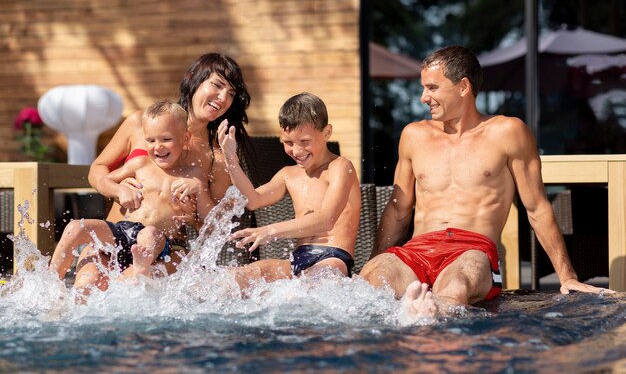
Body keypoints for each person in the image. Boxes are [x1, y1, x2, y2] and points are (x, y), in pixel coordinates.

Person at [359, 45, 613, 320]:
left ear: (463, 87)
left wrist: (568, 277)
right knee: (371, 282)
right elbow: (398, 211)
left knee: (455, 291)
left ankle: (427, 328)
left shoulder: (508, 132)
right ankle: (415, 316)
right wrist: (378, 259)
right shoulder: (414, 136)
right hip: (417, 250)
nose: (423, 98)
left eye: (432, 88)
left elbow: (537, 207)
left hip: (471, 250)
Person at [72, 53, 252, 287]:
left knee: (126, 288)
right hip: (115, 235)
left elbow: (215, 226)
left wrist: (194, 214)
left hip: (166, 250)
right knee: (87, 285)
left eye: (230, 94)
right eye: (217, 86)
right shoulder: (141, 122)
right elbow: (97, 169)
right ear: (194, 80)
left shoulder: (215, 156)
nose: (222, 98)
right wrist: (117, 190)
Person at [49, 101, 213, 292]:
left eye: (166, 139)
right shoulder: (139, 164)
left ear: (185, 139)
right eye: (150, 140)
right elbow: (104, 180)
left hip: (158, 241)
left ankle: (139, 272)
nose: (157, 147)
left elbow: (209, 218)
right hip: (122, 231)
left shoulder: (193, 175)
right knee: (75, 227)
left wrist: (199, 190)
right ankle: (51, 284)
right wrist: (120, 190)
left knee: (149, 234)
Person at [217, 92, 361, 291]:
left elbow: (327, 219)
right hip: (298, 259)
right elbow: (252, 200)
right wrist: (231, 160)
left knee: (313, 284)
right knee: (246, 275)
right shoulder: (288, 174)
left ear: (326, 133)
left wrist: (270, 230)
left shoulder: (340, 167)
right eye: (288, 142)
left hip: (333, 257)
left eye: (304, 142)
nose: (296, 151)